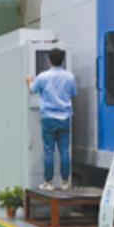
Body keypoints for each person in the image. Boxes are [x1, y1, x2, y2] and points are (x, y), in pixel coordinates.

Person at [26, 47, 77, 192]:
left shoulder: (43, 77)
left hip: (48, 117)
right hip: (65, 117)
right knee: (64, 151)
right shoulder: (69, 77)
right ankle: (65, 182)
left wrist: (29, 81)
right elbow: (73, 93)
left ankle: (48, 182)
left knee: (49, 150)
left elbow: (33, 89)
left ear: (49, 60)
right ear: (63, 60)